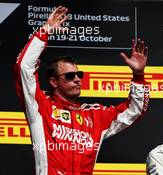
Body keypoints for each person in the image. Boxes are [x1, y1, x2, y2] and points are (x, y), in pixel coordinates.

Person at [14, 6, 149, 175]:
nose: (77, 79)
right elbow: (24, 67)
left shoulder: (95, 115)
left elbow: (134, 110)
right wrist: (46, 30)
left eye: (79, 74)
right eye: (70, 76)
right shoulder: (40, 107)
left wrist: (138, 75)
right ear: (53, 82)